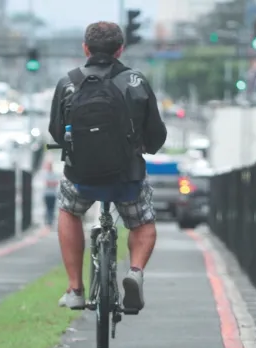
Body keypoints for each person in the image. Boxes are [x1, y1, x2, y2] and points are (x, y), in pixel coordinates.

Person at [48, 20, 167, 313]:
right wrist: (145, 146)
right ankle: (135, 271)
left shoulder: (68, 83)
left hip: (81, 177)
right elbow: (156, 134)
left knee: (68, 212)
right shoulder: (136, 82)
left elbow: (56, 132)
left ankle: (75, 289)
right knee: (143, 224)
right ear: (120, 49)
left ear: (85, 48)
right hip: (127, 177)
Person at [43, 161, 59, 227]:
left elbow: (56, 183)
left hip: (53, 194)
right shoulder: (45, 174)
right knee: (47, 208)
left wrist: (51, 183)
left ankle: (50, 221)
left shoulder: (54, 174)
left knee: (52, 208)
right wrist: (52, 183)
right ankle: (47, 221)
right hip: (47, 194)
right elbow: (47, 183)